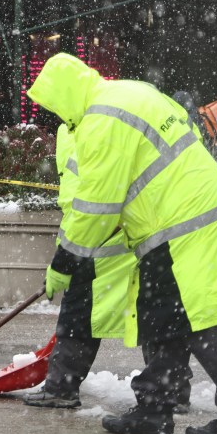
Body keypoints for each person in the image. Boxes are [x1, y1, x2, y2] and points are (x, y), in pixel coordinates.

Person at [27, 53, 217, 434]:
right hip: (188, 221)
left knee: (199, 322)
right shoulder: (132, 92)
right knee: (165, 319)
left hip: (181, 227)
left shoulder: (101, 119)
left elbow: (97, 204)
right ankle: (154, 407)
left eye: (54, 104)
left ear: (65, 94)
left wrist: (66, 256)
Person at [23, 124, 192, 412]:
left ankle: (61, 387)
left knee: (80, 316)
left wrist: (69, 252)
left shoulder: (89, 128)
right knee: (157, 314)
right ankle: (171, 391)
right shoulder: (108, 124)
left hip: (100, 238)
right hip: (136, 236)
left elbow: (87, 195)